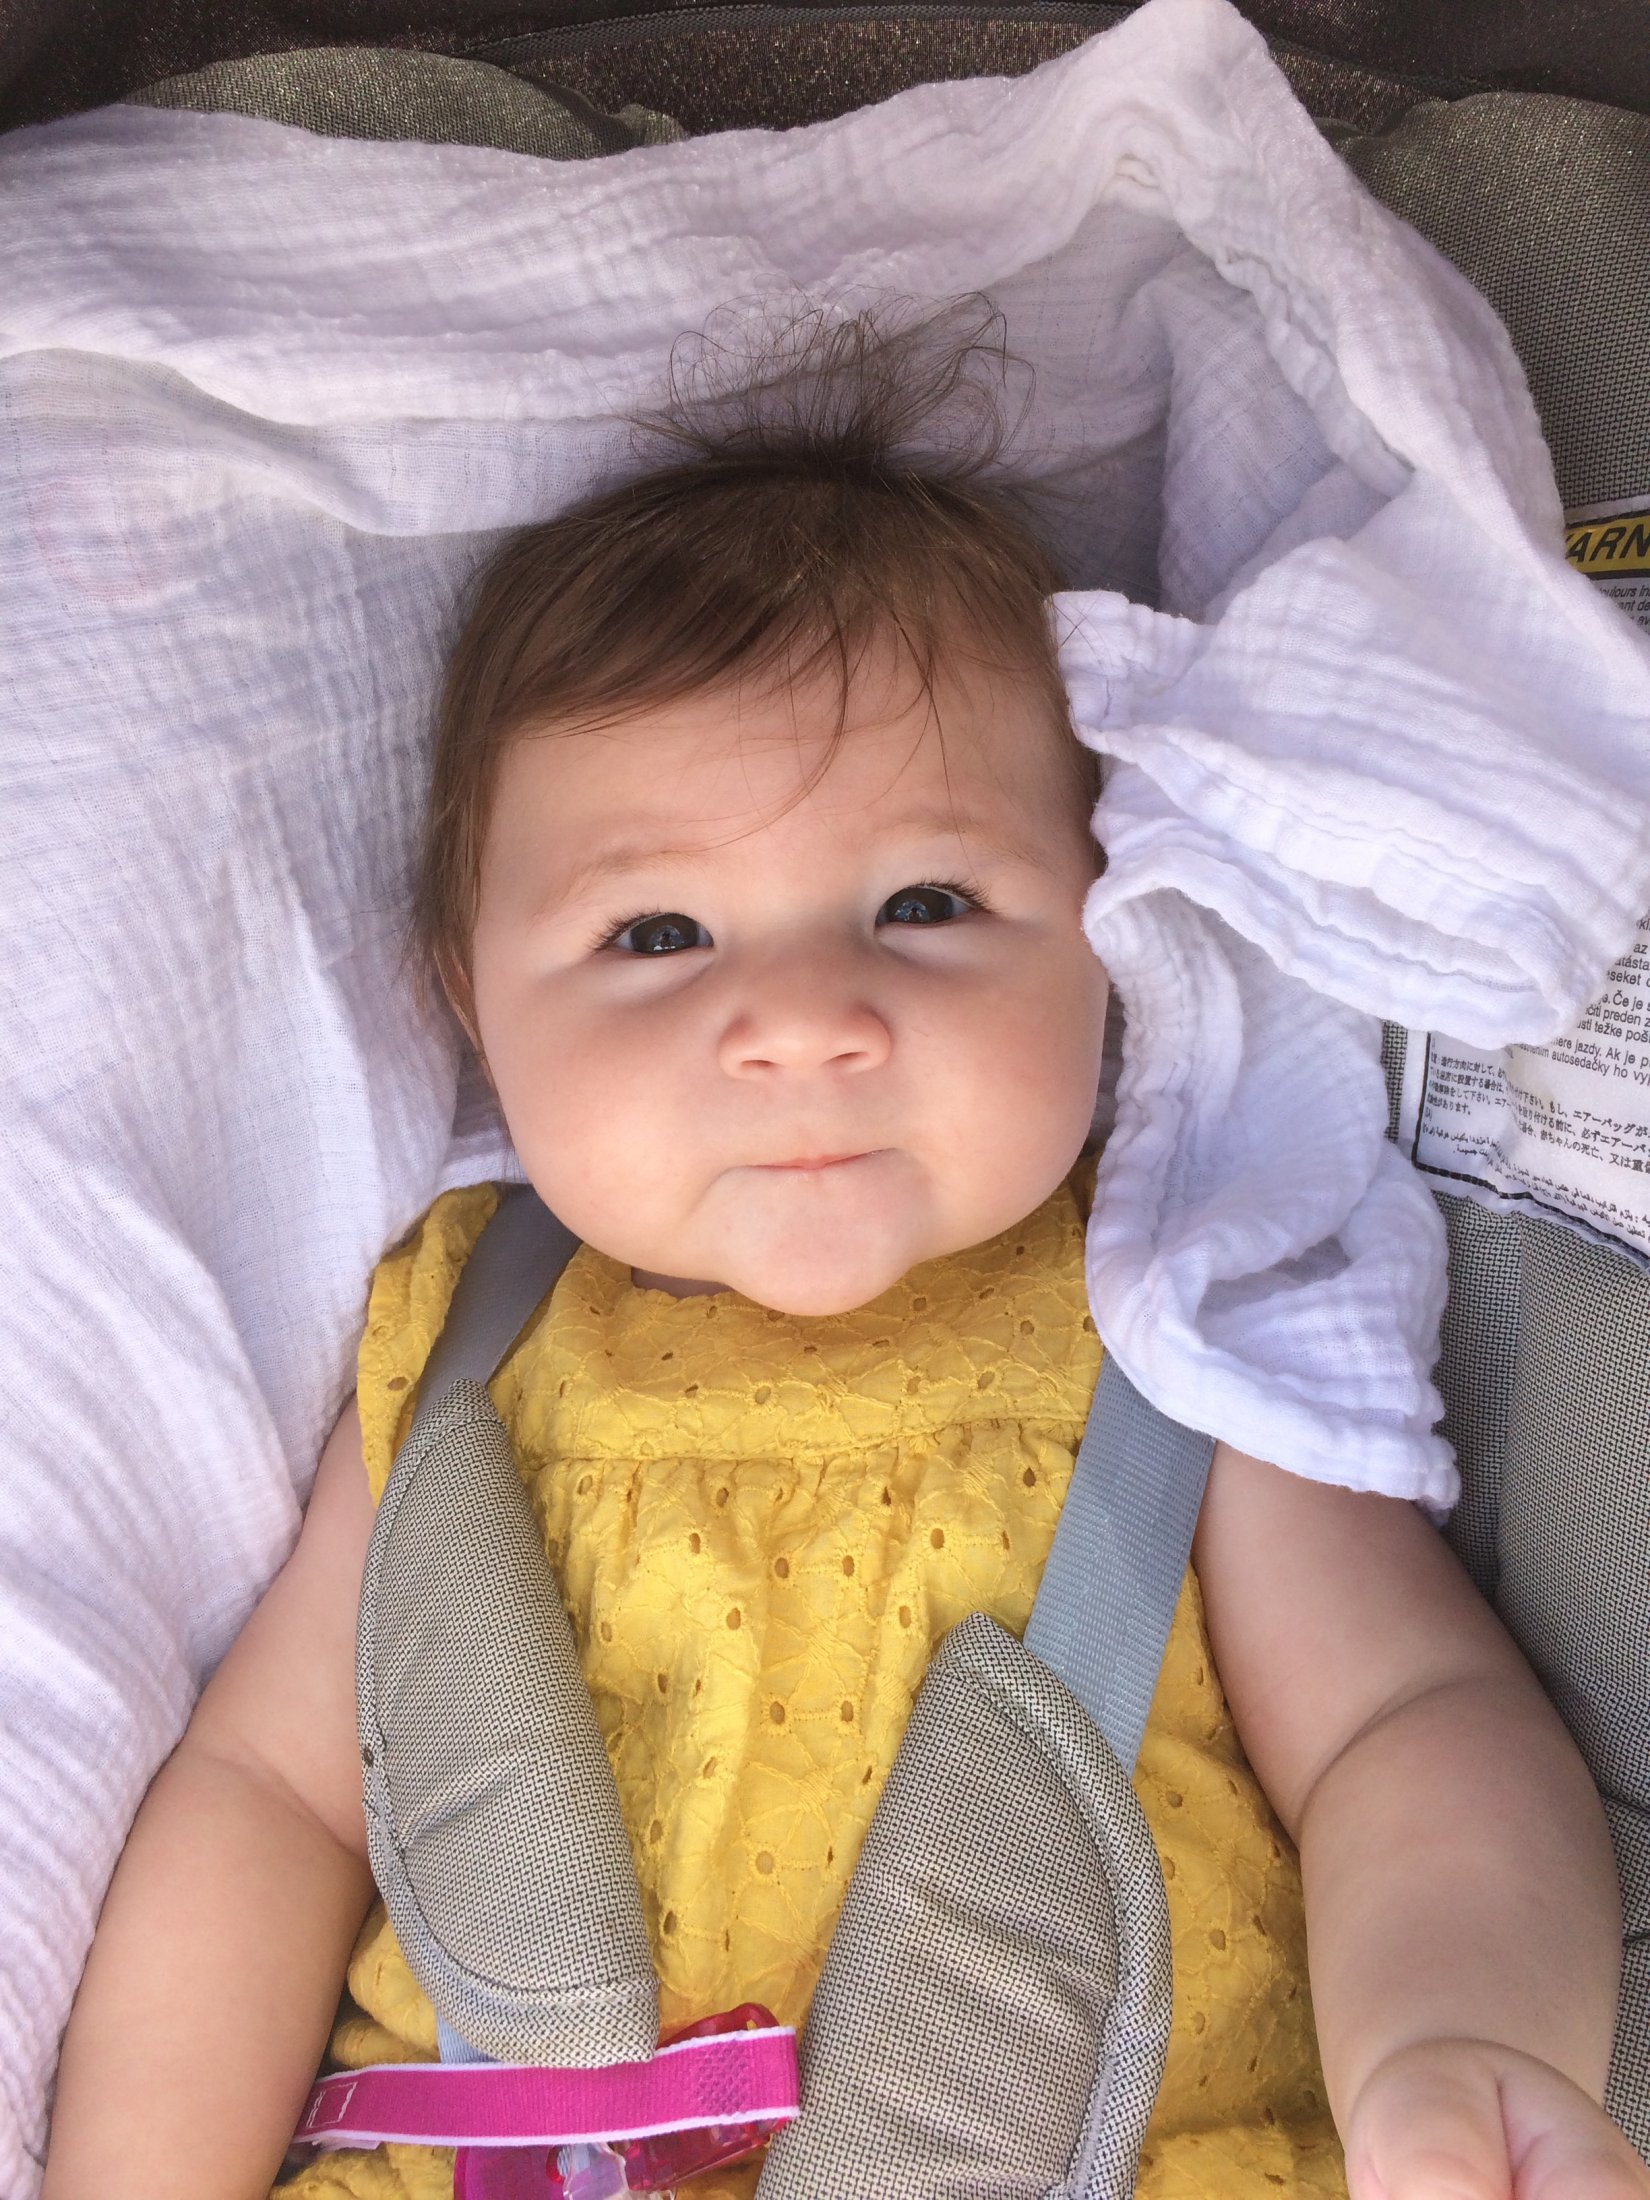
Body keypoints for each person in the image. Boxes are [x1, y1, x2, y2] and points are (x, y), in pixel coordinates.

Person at [41, 308, 1650, 2200]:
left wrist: (1456, 2043)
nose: (804, 1021)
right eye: (656, 935)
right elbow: (268, 1801)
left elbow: (1405, 1726)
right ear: (468, 1004)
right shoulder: (455, 1339)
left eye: (923, 901)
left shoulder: (1172, 1309)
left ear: (1110, 938)